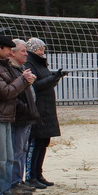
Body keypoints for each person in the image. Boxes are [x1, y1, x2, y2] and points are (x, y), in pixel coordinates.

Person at [0, 35, 35, 195]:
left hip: (7, 116)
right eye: (8, 50)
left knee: (8, 157)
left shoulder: (2, 66)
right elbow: (6, 92)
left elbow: (11, 87)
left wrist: (22, 80)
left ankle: (5, 190)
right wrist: (23, 80)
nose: (11, 53)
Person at [24, 37, 68, 187]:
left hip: (47, 109)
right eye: (40, 48)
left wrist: (56, 77)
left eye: (43, 48)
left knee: (44, 142)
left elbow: (47, 82)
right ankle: (30, 176)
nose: (42, 51)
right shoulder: (29, 63)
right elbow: (35, 86)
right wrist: (53, 77)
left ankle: (38, 174)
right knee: (35, 142)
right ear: (32, 49)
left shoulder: (41, 63)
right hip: (37, 109)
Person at [9, 39, 40, 195]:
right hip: (19, 117)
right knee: (16, 150)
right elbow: (11, 94)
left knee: (22, 149)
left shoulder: (21, 68)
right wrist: (27, 109)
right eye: (23, 51)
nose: (26, 53)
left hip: (26, 117)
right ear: (12, 53)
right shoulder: (10, 69)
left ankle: (19, 180)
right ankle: (14, 182)